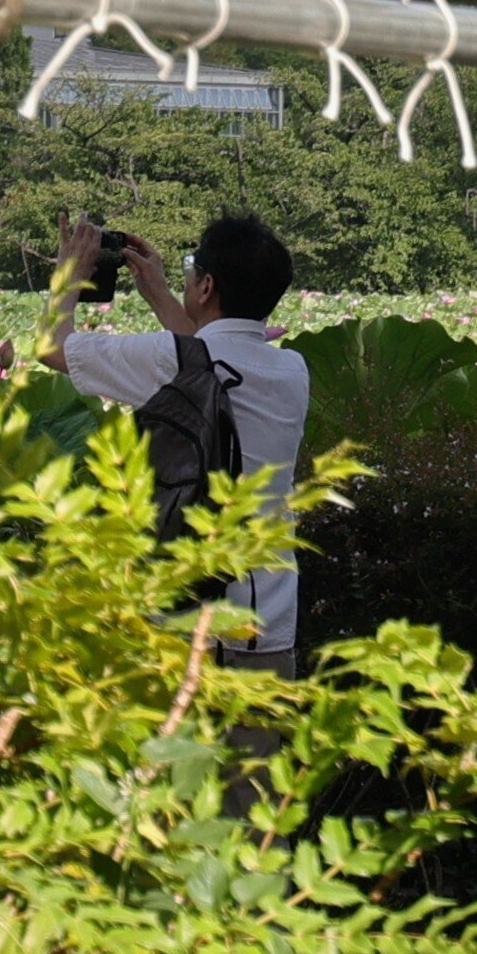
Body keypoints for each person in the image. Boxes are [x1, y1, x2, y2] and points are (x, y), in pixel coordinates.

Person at [52, 211, 308, 672]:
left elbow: (54, 346)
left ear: (207, 287)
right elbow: (205, 358)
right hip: (268, 627)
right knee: (262, 745)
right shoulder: (293, 371)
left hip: (187, 627)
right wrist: (159, 291)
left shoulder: (168, 359)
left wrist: (69, 276)